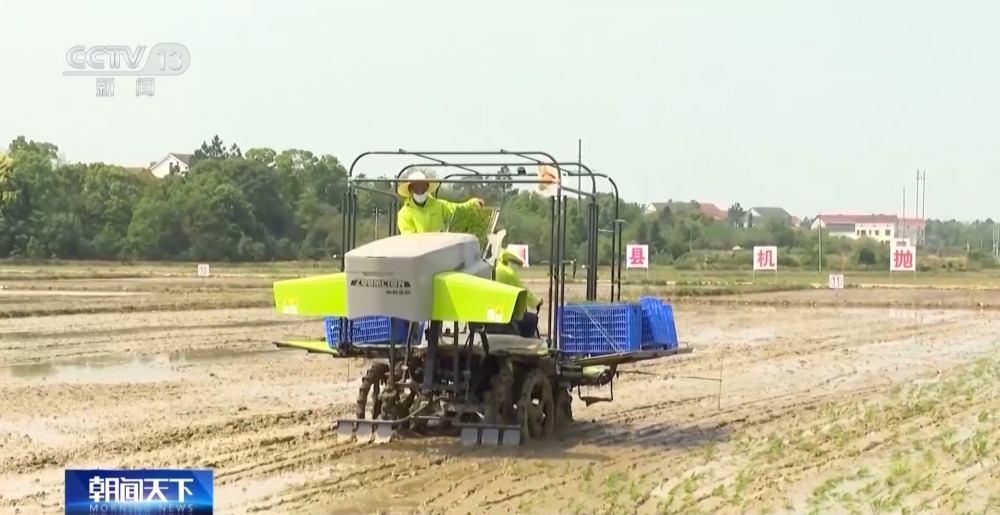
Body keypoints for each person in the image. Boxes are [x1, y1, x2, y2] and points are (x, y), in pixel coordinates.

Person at [396, 171, 484, 234]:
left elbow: (457, 208)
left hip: (439, 250)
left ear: (427, 188)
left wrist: (472, 203)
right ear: (410, 190)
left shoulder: (439, 205)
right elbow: (409, 240)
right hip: (419, 253)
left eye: (422, 187)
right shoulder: (404, 214)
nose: (420, 191)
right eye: (416, 188)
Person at [494, 248, 544, 338]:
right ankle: (526, 343)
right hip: (507, 316)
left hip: (493, 313)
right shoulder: (508, 273)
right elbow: (523, 293)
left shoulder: (495, 269)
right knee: (531, 319)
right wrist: (536, 301)